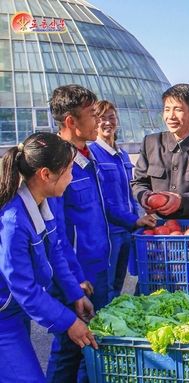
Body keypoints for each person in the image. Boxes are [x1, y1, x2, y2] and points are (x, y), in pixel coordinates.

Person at [0, 133, 98, 383]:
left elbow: (55, 254)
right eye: (67, 171)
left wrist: (75, 295)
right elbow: (24, 288)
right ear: (45, 174)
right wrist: (69, 322)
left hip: (13, 308)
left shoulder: (42, 202)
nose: (72, 177)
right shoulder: (12, 221)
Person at [46, 84, 111, 383]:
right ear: (71, 122)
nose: (98, 121)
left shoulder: (87, 156)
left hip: (97, 273)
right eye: (91, 115)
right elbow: (55, 235)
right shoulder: (57, 164)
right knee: (69, 351)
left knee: (92, 347)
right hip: (77, 278)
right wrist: (72, 283)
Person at [89, 100, 156, 301]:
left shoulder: (123, 155)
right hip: (110, 232)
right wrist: (133, 220)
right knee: (106, 287)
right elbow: (102, 201)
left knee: (118, 284)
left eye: (111, 117)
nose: (108, 123)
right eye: (102, 119)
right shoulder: (93, 154)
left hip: (128, 230)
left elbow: (130, 191)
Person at [131, 83, 189, 219]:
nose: (170, 116)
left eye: (177, 109)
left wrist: (182, 201)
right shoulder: (151, 143)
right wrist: (146, 197)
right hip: (157, 230)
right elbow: (139, 182)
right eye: (167, 109)